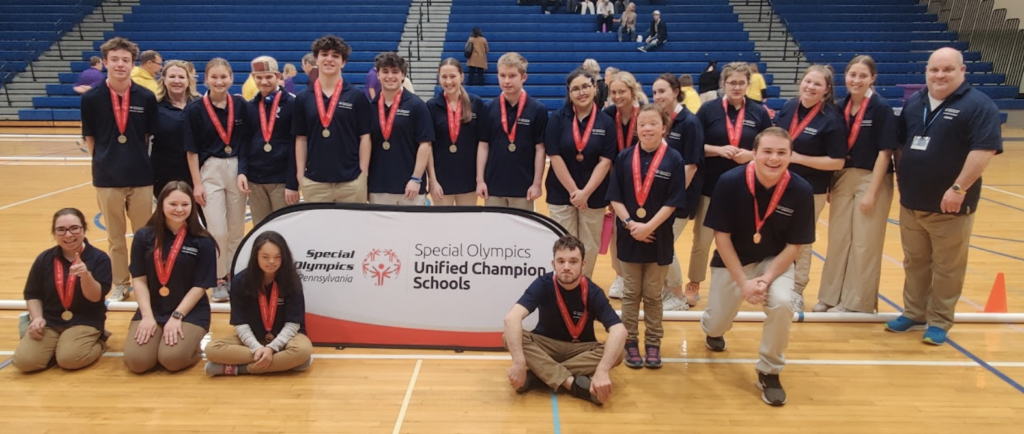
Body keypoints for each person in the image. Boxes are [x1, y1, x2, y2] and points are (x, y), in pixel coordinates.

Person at [885, 47, 1002, 345]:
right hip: (912, 202)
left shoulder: (978, 105)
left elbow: (983, 150)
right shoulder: (915, 102)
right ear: (926, 71)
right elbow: (902, 143)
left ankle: (939, 321)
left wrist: (958, 188)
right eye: (934, 69)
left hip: (951, 204)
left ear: (962, 71)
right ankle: (914, 312)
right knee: (915, 262)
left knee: (947, 267)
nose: (940, 75)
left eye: (947, 69)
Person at [700, 127, 816, 407]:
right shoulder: (729, 181)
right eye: (767, 151)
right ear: (754, 153)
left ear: (790, 155)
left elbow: (794, 246)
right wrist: (744, 283)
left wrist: (765, 279)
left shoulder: (801, 189)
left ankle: (769, 371)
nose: (774, 158)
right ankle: (713, 330)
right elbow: (721, 238)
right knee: (716, 322)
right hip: (734, 260)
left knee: (783, 302)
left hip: (773, 262)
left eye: (781, 152)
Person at [606, 104, 687, 369]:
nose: (647, 128)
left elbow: (673, 202)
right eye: (642, 124)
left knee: (653, 295)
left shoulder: (674, 159)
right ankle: (629, 343)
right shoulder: (624, 157)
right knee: (630, 293)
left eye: (653, 123)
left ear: (664, 128)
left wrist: (648, 227)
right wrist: (631, 224)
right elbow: (615, 198)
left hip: (659, 237)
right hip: (630, 236)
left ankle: (653, 343)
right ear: (637, 128)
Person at [814, 56, 897, 313]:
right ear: (845, 77)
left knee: (864, 243)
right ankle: (830, 296)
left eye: (863, 76)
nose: (856, 80)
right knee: (838, 239)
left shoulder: (880, 108)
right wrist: (830, 184)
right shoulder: (840, 108)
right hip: (842, 179)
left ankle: (856, 303)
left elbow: (886, 153)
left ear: (873, 78)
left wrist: (872, 192)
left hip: (871, 177)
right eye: (852, 75)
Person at [503, 235, 626, 404]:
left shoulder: (593, 292)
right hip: (547, 346)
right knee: (509, 336)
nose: (566, 267)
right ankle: (572, 384)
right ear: (554, 264)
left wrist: (602, 371)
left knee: (619, 351)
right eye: (561, 261)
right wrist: (518, 362)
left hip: (580, 349)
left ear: (583, 265)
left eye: (573, 261)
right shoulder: (543, 283)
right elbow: (512, 318)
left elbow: (619, 330)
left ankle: (538, 376)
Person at [688, 62, 772, 307]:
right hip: (710, 188)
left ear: (748, 84)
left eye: (741, 82)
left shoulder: (759, 112)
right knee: (702, 241)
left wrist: (752, 155)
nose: (736, 87)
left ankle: (740, 284)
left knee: (741, 240)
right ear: (722, 84)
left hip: (746, 190)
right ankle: (694, 283)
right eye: (731, 82)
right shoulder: (707, 110)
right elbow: (693, 145)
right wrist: (717, 150)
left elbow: (769, 148)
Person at [81, 37, 158, 303]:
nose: (120, 64)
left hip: (140, 177)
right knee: (115, 238)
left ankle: (144, 281)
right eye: (114, 59)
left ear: (132, 63)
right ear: (105, 62)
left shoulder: (146, 97)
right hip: (107, 178)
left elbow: (147, 136)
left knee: (144, 237)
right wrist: (105, 161)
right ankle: (120, 283)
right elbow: (90, 139)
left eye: (125, 60)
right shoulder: (91, 98)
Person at [124, 182, 217, 374]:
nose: (179, 209)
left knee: (172, 360)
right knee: (137, 362)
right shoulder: (143, 236)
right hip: (153, 308)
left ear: (192, 206)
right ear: (162, 204)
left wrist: (177, 316)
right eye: (173, 204)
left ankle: (190, 344)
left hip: (188, 311)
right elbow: (139, 279)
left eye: (185, 204)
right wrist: (147, 316)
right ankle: (157, 337)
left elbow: (200, 286)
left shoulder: (203, 240)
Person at [774, 65, 847, 308]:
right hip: (777, 184)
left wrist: (798, 158)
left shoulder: (832, 118)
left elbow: (837, 161)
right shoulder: (788, 107)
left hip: (810, 189)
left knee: (801, 240)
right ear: (801, 82)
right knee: (777, 235)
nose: (810, 87)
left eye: (817, 84)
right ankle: (776, 284)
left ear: (826, 90)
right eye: (808, 81)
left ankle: (797, 290)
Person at [13, 208, 112, 372]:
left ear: (84, 229)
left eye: (74, 228)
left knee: (70, 360)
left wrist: (86, 275)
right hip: (50, 321)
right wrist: (37, 318)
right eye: (61, 230)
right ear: (54, 232)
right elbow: (32, 293)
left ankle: (99, 341)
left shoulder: (99, 258)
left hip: (84, 319)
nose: (68, 235)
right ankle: (55, 346)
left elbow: (95, 297)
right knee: (25, 362)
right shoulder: (45, 259)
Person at [184, 58, 251, 303]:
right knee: (217, 230)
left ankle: (233, 274)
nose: (219, 81)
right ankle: (218, 278)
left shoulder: (241, 105)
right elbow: (191, 151)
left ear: (231, 78)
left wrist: (243, 171)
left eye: (224, 77)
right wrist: (197, 184)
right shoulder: (195, 109)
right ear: (206, 79)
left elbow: (245, 143)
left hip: (236, 169)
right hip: (209, 170)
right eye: (214, 77)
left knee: (235, 229)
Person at [205, 231, 312, 376]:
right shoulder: (240, 281)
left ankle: (240, 369)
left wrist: (272, 348)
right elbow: (240, 324)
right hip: (252, 338)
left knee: (302, 351)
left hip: (285, 338)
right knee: (212, 349)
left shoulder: (291, 279)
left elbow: (293, 323)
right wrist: (257, 348)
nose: (272, 262)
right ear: (256, 256)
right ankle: (283, 362)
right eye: (265, 257)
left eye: (277, 257)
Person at [544, 68, 616, 278]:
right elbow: (554, 157)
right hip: (561, 193)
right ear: (569, 92)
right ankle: (564, 286)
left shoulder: (606, 122)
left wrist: (585, 193)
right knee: (564, 245)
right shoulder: (557, 119)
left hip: (594, 195)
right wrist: (575, 192)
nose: (581, 92)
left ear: (594, 87)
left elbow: (605, 161)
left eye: (586, 86)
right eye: (575, 89)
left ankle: (584, 286)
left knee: (589, 246)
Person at [293, 35, 372, 203]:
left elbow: (365, 137)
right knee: (319, 230)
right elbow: (300, 138)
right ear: (316, 59)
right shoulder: (303, 98)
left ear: (343, 62)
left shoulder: (356, 97)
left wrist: (363, 174)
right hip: (314, 183)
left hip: (351, 182)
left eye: (335, 55)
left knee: (352, 229)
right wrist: (301, 175)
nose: (329, 59)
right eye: (324, 54)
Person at [651, 73, 704, 311]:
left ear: (675, 91)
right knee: (660, 243)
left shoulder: (690, 122)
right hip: (661, 198)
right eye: (654, 92)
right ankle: (666, 290)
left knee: (665, 244)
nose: (657, 96)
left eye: (662, 91)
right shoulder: (662, 120)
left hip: (679, 199)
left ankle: (677, 294)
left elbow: (691, 165)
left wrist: (674, 196)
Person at [478, 52, 548, 211]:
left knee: (522, 235)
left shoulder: (538, 109)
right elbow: (483, 146)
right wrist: (480, 180)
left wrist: (537, 183)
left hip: (524, 187)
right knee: (495, 234)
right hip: (493, 186)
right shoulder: (488, 108)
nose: (506, 81)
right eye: (502, 75)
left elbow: (540, 149)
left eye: (512, 76)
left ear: (524, 77)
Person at [602, 71, 648, 299]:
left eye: (622, 91)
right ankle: (620, 275)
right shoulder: (608, 115)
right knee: (616, 231)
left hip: (643, 181)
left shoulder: (645, 116)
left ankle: (642, 277)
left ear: (633, 91)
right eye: (613, 92)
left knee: (643, 226)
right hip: (616, 180)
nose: (617, 96)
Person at [368, 52, 434, 205]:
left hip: (410, 187)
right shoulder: (370, 107)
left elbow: (425, 145)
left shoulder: (417, 106)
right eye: (385, 71)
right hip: (378, 186)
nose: (390, 76)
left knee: (412, 229)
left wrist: (416, 178)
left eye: (395, 72)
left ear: (403, 75)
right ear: (377, 75)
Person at [239, 56, 298, 225]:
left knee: (284, 227)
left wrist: (292, 182)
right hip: (255, 179)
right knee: (260, 228)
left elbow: (297, 144)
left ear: (278, 76)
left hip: (282, 180)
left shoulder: (293, 104)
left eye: (268, 76)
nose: (264, 81)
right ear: (253, 77)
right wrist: (242, 170)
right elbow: (244, 140)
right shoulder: (250, 106)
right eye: (259, 77)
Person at [427, 58, 487, 206]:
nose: (448, 81)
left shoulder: (476, 103)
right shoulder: (431, 106)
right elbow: (427, 147)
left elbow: (482, 144)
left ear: (461, 76)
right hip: (441, 180)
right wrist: (432, 181)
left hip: (469, 179)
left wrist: (480, 179)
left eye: (452, 76)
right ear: (438, 78)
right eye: (444, 77)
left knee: (466, 225)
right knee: (443, 226)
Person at [152, 60, 201, 198]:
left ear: (188, 80)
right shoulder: (154, 106)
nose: (177, 81)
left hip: (197, 172)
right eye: (172, 76)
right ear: (164, 80)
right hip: (164, 172)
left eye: (181, 77)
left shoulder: (200, 105)